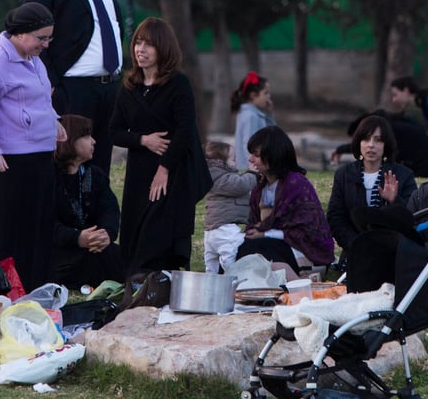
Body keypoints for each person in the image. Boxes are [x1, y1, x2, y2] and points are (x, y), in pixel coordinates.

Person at [0, 2, 66, 291]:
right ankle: (7, 289)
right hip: (11, 161)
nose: (45, 44)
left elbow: (41, 98)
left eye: (49, 38)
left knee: (38, 227)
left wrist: (53, 120)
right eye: (41, 38)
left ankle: (35, 287)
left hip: (40, 157)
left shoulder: (34, 59)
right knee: (11, 231)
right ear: (20, 34)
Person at [21, 0, 124, 174]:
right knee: (66, 167)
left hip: (107, 90)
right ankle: (64, 218)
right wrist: (49, 81)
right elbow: (29, 28)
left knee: (98, 172)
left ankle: (93, 217)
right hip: (72, 90)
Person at [109, 17, 212, 274]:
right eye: (137, 43)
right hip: (139, 170)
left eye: (149, 45)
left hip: (172, 168)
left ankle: (164, 281)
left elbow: (185, 130)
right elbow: (115, 132)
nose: (140, 50)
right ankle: (138, 284)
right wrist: (143, 140)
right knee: (136, 228)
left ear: (163, 48)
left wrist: (164, 169)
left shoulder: (178, 84)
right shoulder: (129, 87)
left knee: (161, 232)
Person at [237, 125, 334, 275]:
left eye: (256, 155)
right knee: (245, 248)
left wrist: (264, 234)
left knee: (258, 248)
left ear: (272, 155)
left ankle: (293, 284)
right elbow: (255, 224)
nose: (250, 159)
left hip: (304, 250)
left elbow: (305, 232)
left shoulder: (296, 185)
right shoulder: (259, 189)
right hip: (272, 245)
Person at [325, 114, 417, 257]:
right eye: (366, 139)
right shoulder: (344, 175)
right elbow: (336, 217)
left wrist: (394, 200)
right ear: (358, 142)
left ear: (386, 144)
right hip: (355, 250)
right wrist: (356, 245)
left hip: (393, 252)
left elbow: (412, 219)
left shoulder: (404, 175)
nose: (371, 145)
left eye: (378, 140)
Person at [51, 114, 125, 290]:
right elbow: (45, 224)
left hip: (94, 247)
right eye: (85, 136)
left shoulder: (95, 175)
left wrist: (106, 233)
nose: (93, 141)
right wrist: (77, 238)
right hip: (62, 251)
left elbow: (110, 210)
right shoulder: (49, 178)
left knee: (118, 256)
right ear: (69, 140)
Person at [331, 108, 428, 178]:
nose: (370, 144)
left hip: (426, 164)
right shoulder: (394, 125)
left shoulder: (389, 129)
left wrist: (341, 149)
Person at [202, 141, 255, 274]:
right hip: (224, 228)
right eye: (233, 159)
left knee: (211, 261)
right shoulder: (219, 177)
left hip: (212, 231)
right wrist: (253, 174)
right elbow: (240, 185)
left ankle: (211, 280)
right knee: (232, 249)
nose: (236, 163)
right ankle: (231, 272)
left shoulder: (215, 176)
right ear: (221, 161)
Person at [231, 71, 275, 165]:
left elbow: (272, 133)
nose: (268, 97)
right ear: (253, 95)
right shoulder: (251, 116)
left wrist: (269, 114)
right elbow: (248, 145)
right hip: (249, 169)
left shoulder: (248, 114)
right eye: (265, 93)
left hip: (249, 167)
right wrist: (254, 168)